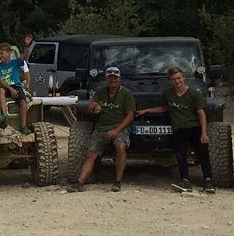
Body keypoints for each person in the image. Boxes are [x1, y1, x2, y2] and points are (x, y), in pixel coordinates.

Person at [137, 66, 215, 193]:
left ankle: (208, 181)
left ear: (183, 77)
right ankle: (185, 180)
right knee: (180, 155)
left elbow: (201, 113)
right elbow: (165, 108)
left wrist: (204, 132)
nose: (177, 81)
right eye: (174, 79)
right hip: (179, 129)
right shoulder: (168, 94)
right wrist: (146, 111)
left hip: (194, 128)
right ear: (170, 81)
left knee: (203, 154)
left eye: (179, 78)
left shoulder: (194, 94)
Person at [67, 65, 135, 193]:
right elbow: (91, 105)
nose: (113, 80)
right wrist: (94, 106)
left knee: (120, 146)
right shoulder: (100, 91)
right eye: (110, 78)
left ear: (120, 79)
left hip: (119, 126)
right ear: (106, 79)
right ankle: (80, 182)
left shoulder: (126, 94)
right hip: (102, 126)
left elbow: (130, 116)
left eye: (115, 78)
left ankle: (117, 181)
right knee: (91, 154)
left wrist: (116, 130)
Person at [0, 42, 31, 132]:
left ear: (9, 53)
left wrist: (26, 45)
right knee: (1, 90)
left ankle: (23, 125)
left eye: (1, 53)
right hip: (6, 87)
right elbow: (1, 81)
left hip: (16, 85)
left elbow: (25, 56)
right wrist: (11, 89)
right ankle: (4, 115)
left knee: (23, 102)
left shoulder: (15, 62)